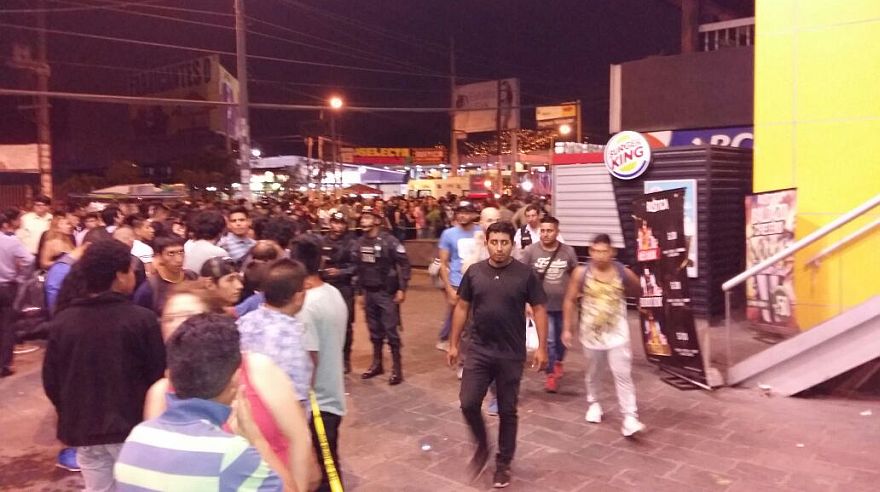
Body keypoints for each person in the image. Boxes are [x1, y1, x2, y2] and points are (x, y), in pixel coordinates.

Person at [141, 288, 319, 492]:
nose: (178, 324)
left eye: (189, 315)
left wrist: (298, 485)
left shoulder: (257, 368)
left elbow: (298, 438)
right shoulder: (160, 393)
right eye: (169, 318)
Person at [42, 239, 166, 491]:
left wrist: (71, 411)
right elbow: (156, 377)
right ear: (120, 276)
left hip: (84, 430)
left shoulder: (63, 321)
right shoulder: (142, 320)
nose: (134, 275)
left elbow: (51, 380)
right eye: (130, 270)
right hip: (132, 428)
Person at [115, 314, 285, 491]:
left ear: (170, 375)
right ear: (235, 379)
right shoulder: (230, 454)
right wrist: (256, 439)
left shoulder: (137, 438)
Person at [447, 221, 548, 489]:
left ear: (512, 245)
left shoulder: (525, 274)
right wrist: (453, 343)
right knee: (468, 402)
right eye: (495, 242)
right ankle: (482, 443)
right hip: (479, 350)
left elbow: (539, 309)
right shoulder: (475, 272)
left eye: (504, 243)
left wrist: (542, 347)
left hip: (510, 354)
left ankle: (504, 463)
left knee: (507, 410)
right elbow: (462, 307)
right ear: (487, 243)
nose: (499, 248)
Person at [562, 233, 646, 437]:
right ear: (590, 252)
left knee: (622, 374)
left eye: (604, 251)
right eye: (596, 251)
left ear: (612, 252)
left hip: (618, 334)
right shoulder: (581, 273)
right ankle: (594, 403)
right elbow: (569, 300)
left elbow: (639, 289)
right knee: (594, 372)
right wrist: (567, 328)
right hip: (591, 334)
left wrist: (635, 293)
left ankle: (630, 417)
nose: (600, 255)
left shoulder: (622, 272)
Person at [291, 236, 349, 492]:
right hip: (332, 393)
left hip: (318, 402)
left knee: (324, 473)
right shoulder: (332, 292)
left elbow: (309, 360)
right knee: (329, 465)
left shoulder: (306, 305)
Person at [236, 259, 316, 405]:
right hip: (277, 414)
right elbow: (297, 398)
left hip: (243, 408)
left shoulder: (243, 322)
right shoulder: (292, 337)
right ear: (299, 297)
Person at [351, 205, 411, 385]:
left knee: (391, 331)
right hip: (368, 292)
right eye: (363, 217)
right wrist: (359, 292)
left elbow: (404, 264)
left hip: (387, 293)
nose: (363, 221)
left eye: (368, 217)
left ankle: (397, 369)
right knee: (374, 330)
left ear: (377, 220)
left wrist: (402, 288)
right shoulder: (359, 243)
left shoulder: (389, 241)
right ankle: (377, 364)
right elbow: (358, 269)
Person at [520, 216, 578, 393]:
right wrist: (526, 302)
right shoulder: (530, 251)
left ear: (557, 232)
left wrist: (576, 295)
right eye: (543, 231)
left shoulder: (568, 251)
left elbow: (575, 275)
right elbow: (522, 278)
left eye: (549, 231)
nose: (545, 234)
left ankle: (558, 361)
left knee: (562, 340)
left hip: (564, 305)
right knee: (550, 340)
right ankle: (551, 374)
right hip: (541, 306)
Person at [436, 201, 480, 351]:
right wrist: (448, 288)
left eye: (466, 212)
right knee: (457, 315)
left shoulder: (481, 232)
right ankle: (451, 343)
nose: (462, 216)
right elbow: (443, 263)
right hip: (457, 281)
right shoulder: (448, 234)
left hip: (478, 280)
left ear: (473, 214)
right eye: (460, 212)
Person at [320, 212, 357, 373]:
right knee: (324, 322)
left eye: (341, 223)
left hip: (344, 287)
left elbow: (356, 266)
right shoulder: (322, 242)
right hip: (324, 286)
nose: (338, 226)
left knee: (345, 324)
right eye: (335, 223)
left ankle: (345, 359)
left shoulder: (351, 243)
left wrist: (341, 272)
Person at [1, 209, 34, 378]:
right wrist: (21, 277)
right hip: (7, 286)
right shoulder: (11, 241)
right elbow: (29, 259)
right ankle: (4, 365)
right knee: (7, 326)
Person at [132, 235, 198, 314]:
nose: (179, 259)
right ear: (159, 256)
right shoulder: (149, 289)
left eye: (181, 252)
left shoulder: (192, 277)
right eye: (171, 253)